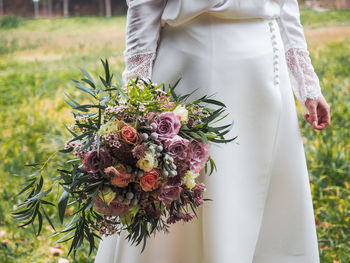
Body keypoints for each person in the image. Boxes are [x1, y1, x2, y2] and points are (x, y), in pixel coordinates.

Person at [94, 0, 331, 262]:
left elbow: (286, 5)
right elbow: (144, 4)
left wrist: (307, 84)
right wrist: (137, 93)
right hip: (193, 64)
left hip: (265, 69)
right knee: (198, 187)